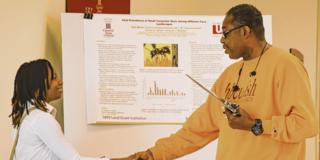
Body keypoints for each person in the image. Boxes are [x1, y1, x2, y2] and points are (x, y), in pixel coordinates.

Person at [116, 4, 319, 160]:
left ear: (245, 31)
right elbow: (195, 131)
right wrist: (152, 155)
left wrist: (255, 125)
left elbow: (306, 125)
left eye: (225, 33)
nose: (222, 40)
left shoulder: (286, 64)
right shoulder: (229, 75)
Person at [9, 59, 109, 160]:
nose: (60, 82)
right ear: (38, 85)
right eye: (53, 78)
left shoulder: (23, 119)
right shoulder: (41, 119)